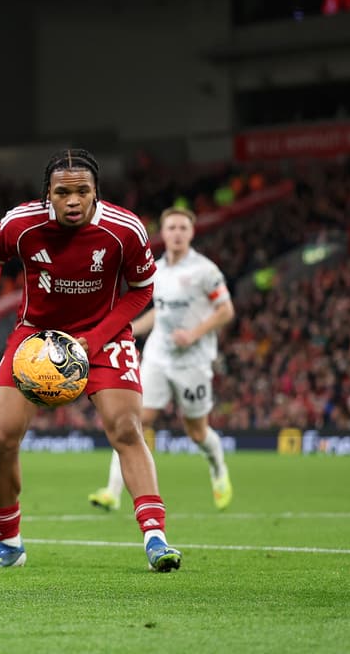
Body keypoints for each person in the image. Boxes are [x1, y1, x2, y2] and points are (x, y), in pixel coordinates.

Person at [0, 149, 183, 572]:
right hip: (34, 339)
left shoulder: (125, 229)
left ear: (96, 193)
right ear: (48, 195)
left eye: (82, 192)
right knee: (1, 438)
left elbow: (142, 291)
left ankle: (155, 538)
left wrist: (92, 340)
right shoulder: (20, 224)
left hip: (103, 335)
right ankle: (9, 544)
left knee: (127, 430)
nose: (73, 200)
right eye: (63, 192)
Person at [89, 207, 235, 511]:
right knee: (131, 423)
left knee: (196, 431)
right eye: (171, 228)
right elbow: (159, 313)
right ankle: (112, 492)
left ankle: (218, 469)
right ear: (163, 233)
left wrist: (193, 334)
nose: (177, 233)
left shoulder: (205, 271)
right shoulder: (156, 270)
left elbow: (226, 311)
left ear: (192, 233)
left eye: (183, 227)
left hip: (192, 361)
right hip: (158, 356)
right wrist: (123, 328)